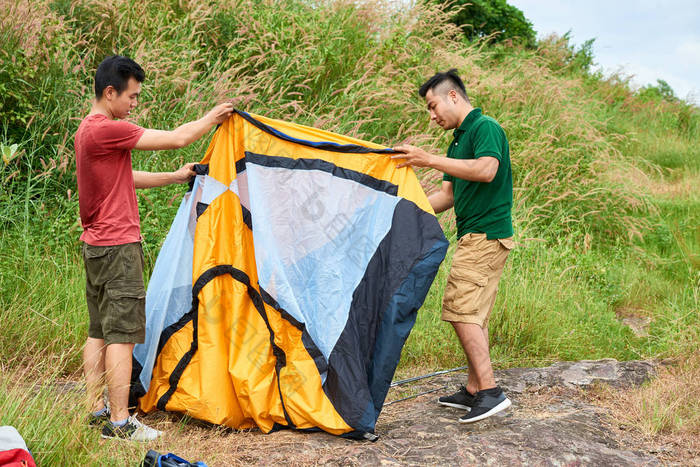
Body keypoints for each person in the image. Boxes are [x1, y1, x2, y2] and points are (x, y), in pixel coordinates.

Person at [76, 55, 233, 441]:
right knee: (123, 335)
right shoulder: (107, 129)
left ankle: (95, 411)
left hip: (95, 246)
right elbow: (178, 137)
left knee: (99, 330)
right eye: (131, 97)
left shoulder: (87, 131)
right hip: (117, 247)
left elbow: (125, 176)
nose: (134, 104)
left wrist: (175, 176)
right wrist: (212, 118)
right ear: (110, 92)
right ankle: (119, 422)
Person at [392, 69, 514, 423]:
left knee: (460, 307)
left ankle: (490, 393)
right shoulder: (458, 140)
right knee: (473, 312)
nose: (432, 117)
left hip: (486, 234)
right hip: (474, 234)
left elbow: (487, 169)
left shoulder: (484, 127)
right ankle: (476, 389)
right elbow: (446, 195)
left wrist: (428, 159)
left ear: (454, 97)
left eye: (433, 107)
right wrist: (406, 211)